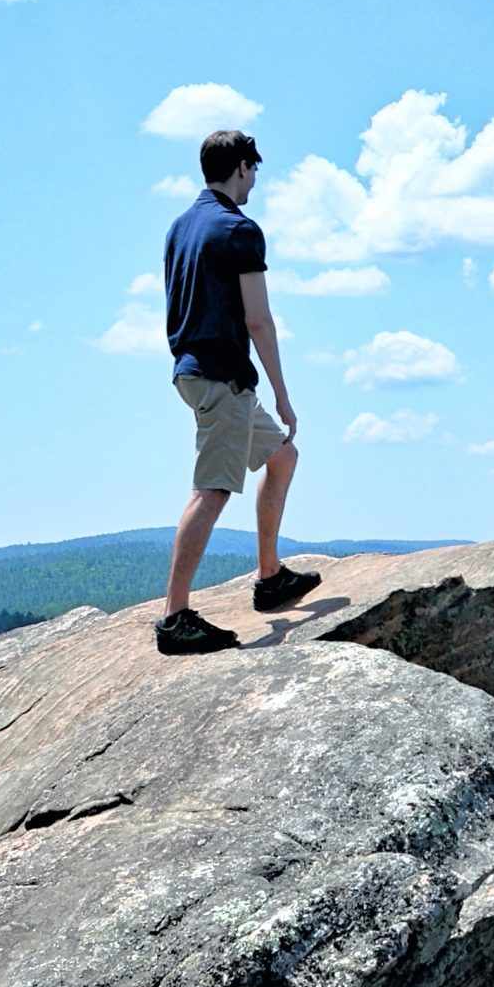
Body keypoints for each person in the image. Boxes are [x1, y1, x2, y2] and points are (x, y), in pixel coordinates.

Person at [153, 128, 321, 654]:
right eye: (254, 170)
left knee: (282, 456)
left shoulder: (181, 227)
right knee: (213, 489)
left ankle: (270, 578)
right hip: (222, 376)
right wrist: (283, 394)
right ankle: (175, 617)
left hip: (195, 370)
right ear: (242, 168)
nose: (254, 182)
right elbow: (259, 320)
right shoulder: (239, 230)